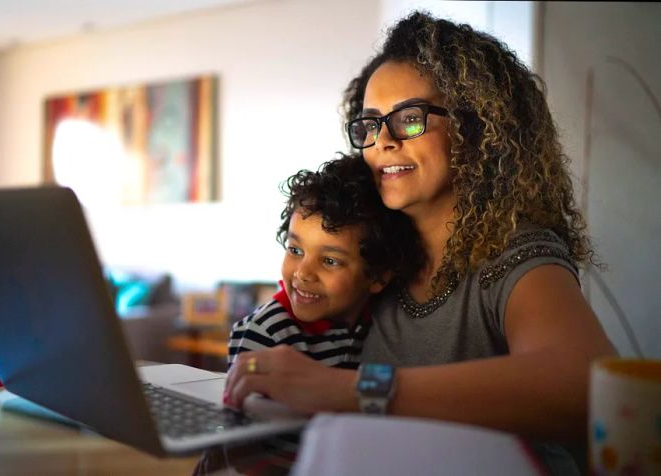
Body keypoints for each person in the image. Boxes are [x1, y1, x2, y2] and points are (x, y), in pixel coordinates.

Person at [225, 11, 616, 474]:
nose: (382, 141)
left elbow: (586, 386)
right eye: (370, 124)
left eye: (410, 118)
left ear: (475, 130)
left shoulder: (516, 254)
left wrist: (350, 392)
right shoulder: (376, 255)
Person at [226, 154, 422, 373]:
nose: (303, 273)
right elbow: (245, 403)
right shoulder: (266, 333)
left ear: (379, 276)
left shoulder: (381, 322)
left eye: (330, 261)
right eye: (295, 250)